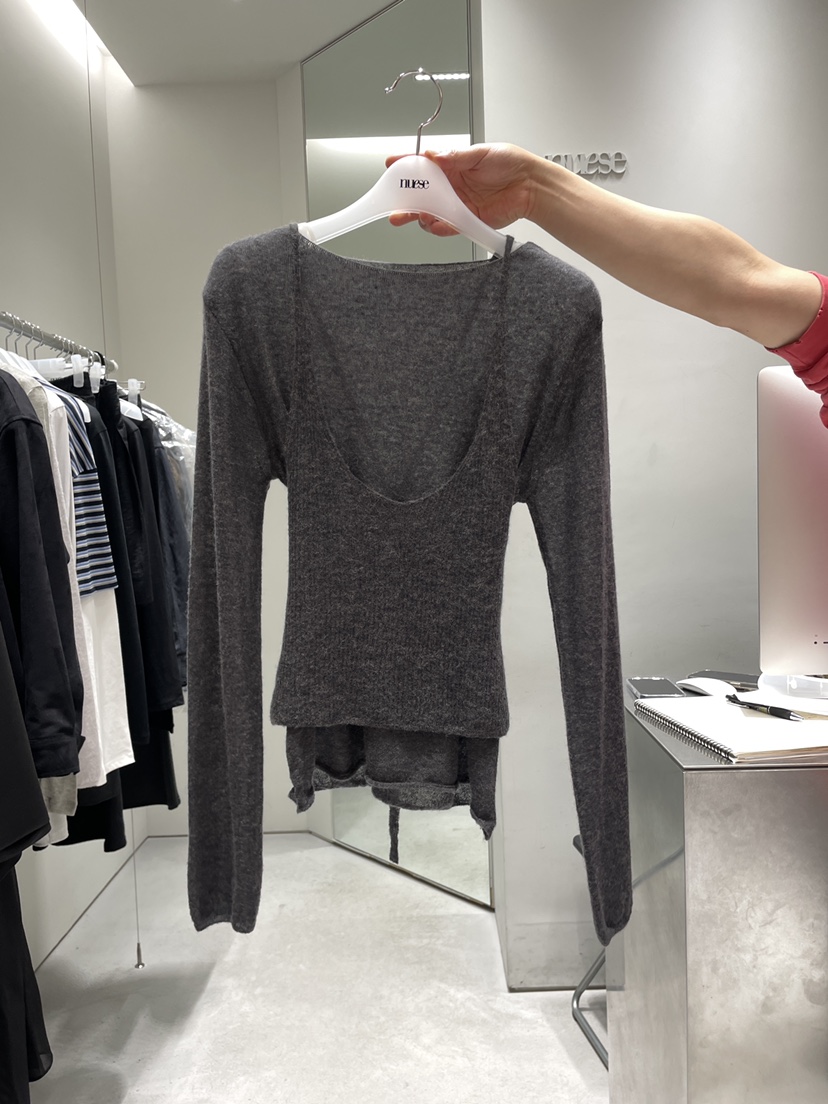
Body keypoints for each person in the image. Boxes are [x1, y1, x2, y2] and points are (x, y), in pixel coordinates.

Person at [388, 144, 828, 426]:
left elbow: (743, 287)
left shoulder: (561, 299)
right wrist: (530, 187)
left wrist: (532, 187)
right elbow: (743, 286)